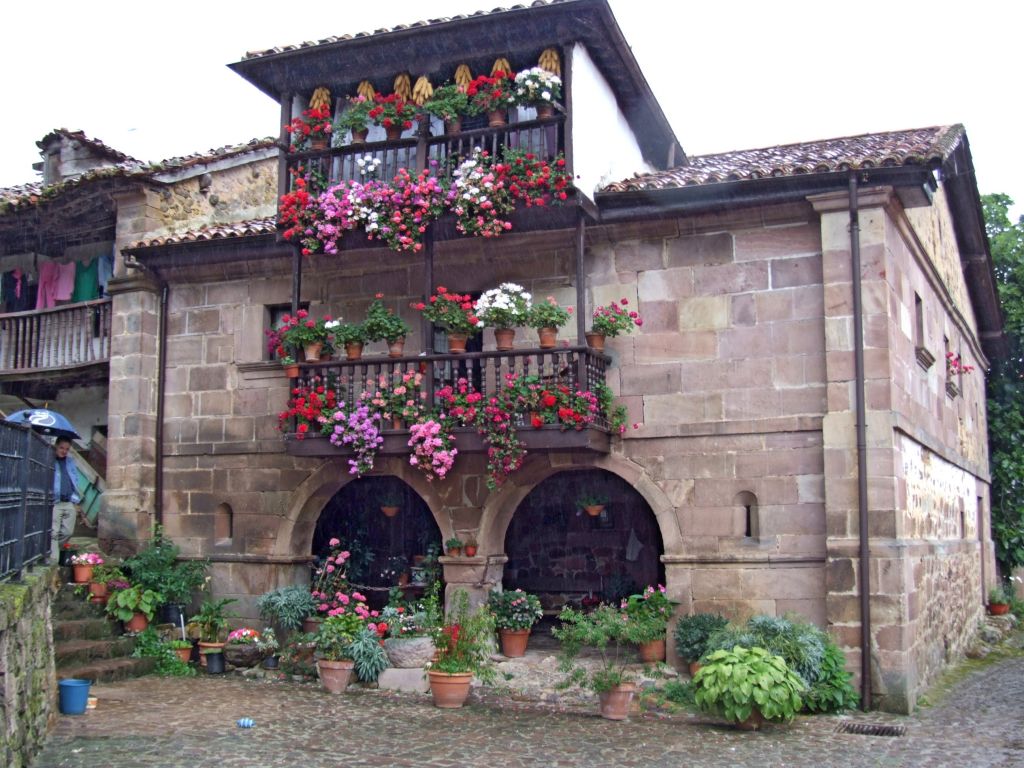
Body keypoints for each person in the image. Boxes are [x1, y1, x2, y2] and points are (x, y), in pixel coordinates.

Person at [51, 436, 81, 560]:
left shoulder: (70, 461)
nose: (64, 451)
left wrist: (75, 497)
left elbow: (75, 479)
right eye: (61, 447)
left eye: (67, 449)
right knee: (54, 533)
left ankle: (51, 550)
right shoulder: (50, 460)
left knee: (68, 532)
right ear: (56, 446)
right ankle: (54, 561)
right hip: (55, 501)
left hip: (68, 501)